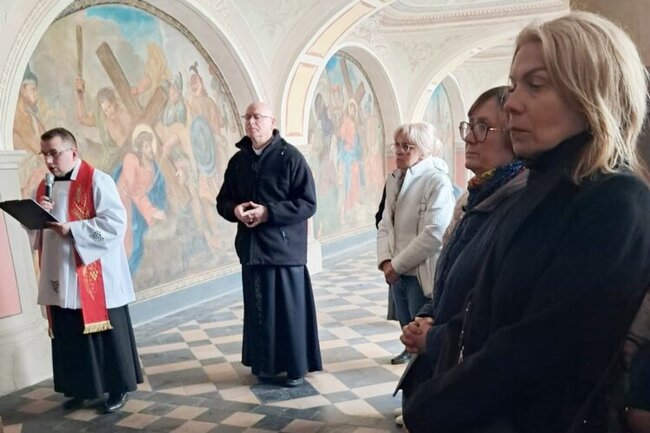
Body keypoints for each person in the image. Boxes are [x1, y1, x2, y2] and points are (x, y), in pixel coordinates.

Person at [401, 12, 650, 433]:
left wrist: (431, 405)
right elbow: (483, 311)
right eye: (514, 84)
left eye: (536, 85)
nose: (512, 103)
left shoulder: (615, 200)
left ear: (592, 93)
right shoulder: (540, 186)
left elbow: (540, 351)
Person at [395, 86, 527, 425]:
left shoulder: (519, 206)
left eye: (482, 127)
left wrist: (435, 338)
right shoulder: (474, 196)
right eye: (468, 126)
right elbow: (451, 271)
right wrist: (428, 314)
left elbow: (497, 313)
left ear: (515, 135)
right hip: (448, 358)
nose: (468, 138)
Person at [30, 127, 143, 414]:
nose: (49, 161)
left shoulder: (97, 181)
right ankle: (81, 388)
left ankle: (117, 388)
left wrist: (74, 229)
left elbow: (115, 224)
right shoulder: (44, 187)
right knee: (70, 332)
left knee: (104, 335)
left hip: (95, 274)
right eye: (44, 155)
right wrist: (35, 214)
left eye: (54, 153)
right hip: (60, 271)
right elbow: (36, 230)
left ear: (73, 152)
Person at [216, 101, 322, 387]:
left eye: (258, 117)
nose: (252, 122)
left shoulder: (291, 157)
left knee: (289, 313)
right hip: (252, 250)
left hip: (284, 252)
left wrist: (268, 213)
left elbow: (307, 203)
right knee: (259, 311)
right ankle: (265, 366)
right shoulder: (238, 161)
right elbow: (223, 200)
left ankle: (295, 369)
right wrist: (235, 210)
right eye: (248, 117)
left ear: (272, 122)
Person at [377, 122, 455, 365]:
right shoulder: (394, 179)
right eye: (397, 145)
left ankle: (426, 384)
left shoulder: (436, 181)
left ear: (424, 150)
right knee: (407, 333)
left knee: (423, 341)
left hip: (421, 275)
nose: (399, 151)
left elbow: (434, 233)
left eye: (407, 146)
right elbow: (385, 224)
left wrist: (397, 265)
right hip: (398, 273)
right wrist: (386, 261)